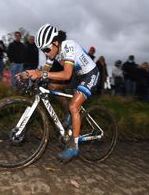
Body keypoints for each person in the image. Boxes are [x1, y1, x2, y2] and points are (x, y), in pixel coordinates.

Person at [21, 24, 99, 160]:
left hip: (90, 74)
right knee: (51, 87)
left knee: (74, 106)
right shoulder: (54, 51)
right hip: (77, 74)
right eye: (42, 50)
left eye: (46, 49)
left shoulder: (68, 46)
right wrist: (31, 75)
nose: (45, 53)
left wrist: (40, 74)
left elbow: (66, 75)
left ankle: (74, 146)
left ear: (56, 43)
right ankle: (69, 114)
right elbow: (45, 71)